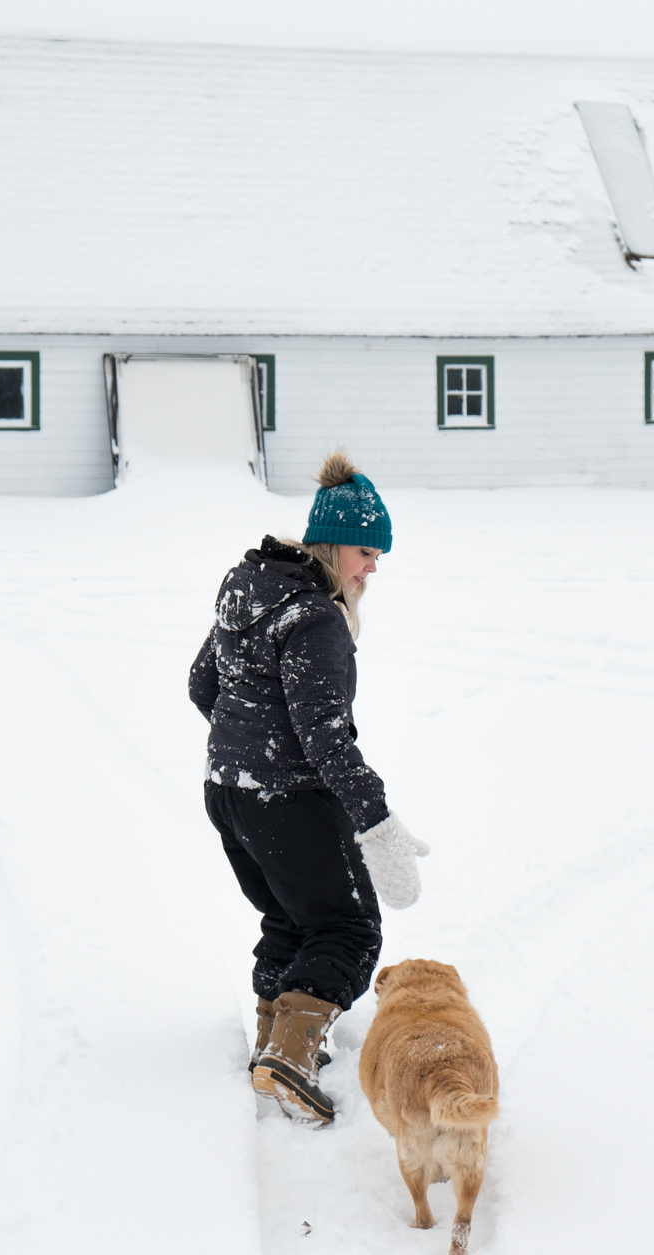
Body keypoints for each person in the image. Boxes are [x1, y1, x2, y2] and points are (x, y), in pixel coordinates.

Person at [189, 452, 428, 1125]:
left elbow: (202, 685)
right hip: (286, 798)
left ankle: (274, 1042)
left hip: (227, 793)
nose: (372, 567)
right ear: (330, 544)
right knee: (348, 928)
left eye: (378, 555)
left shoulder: (249, 586)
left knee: (291, 920)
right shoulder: (317, 618)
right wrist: (376, 823)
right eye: (364, 551)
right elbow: (325, 739)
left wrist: (245, 743)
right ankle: (292, 1055)